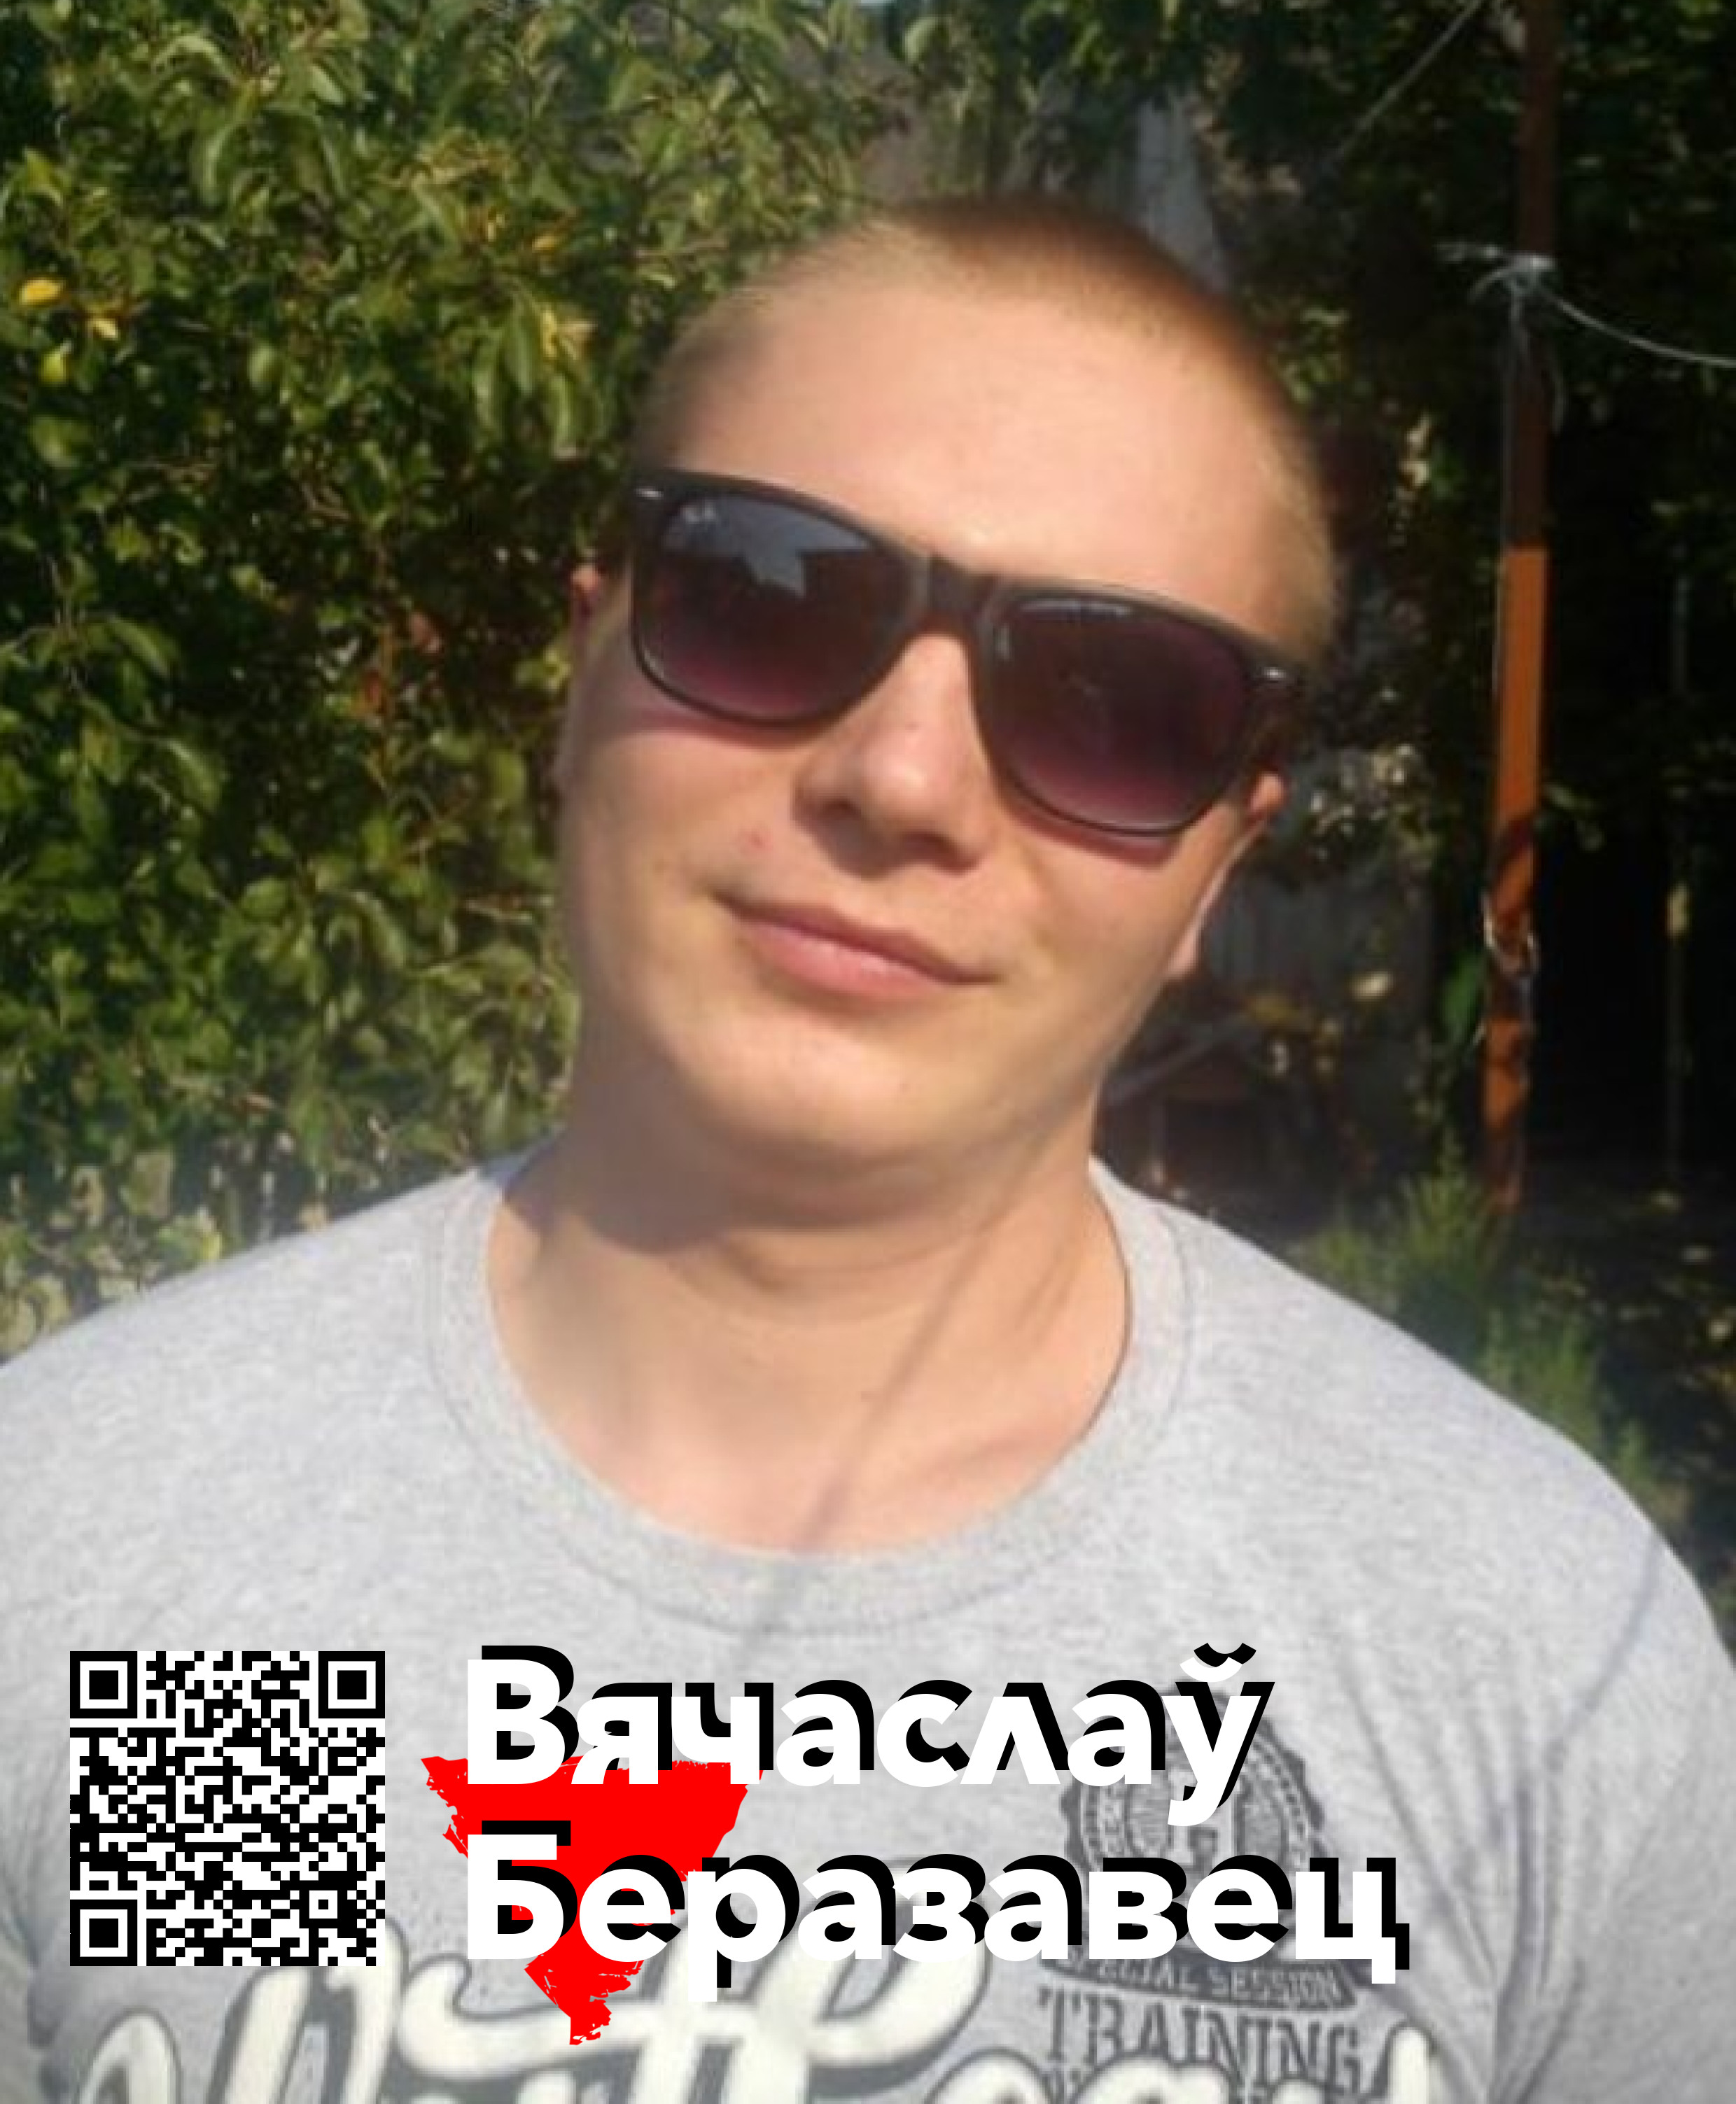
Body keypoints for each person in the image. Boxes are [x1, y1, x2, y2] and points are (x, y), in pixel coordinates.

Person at [2, 195, 1732, 2104]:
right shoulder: (125, 1554)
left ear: (1215, 866)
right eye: (768, 596)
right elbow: (238, 2016)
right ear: (585, 673)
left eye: (1116, 703)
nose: (901, 782)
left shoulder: (1514, 1645)